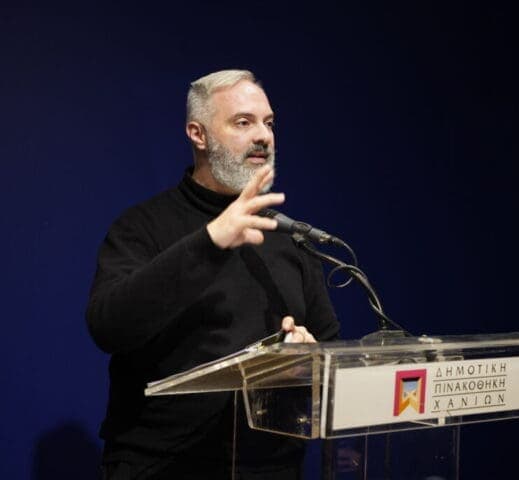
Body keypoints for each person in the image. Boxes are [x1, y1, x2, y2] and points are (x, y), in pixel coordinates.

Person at [86, 69, 340, 479]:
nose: (264, 136)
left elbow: (329, 349)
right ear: (198, 134)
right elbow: (108, 327)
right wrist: (211, 241)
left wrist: (307, 356)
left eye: (269, 123)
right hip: (164, 467)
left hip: (271, 468)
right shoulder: (143, 227)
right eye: (243, 122)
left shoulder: (287, 237)